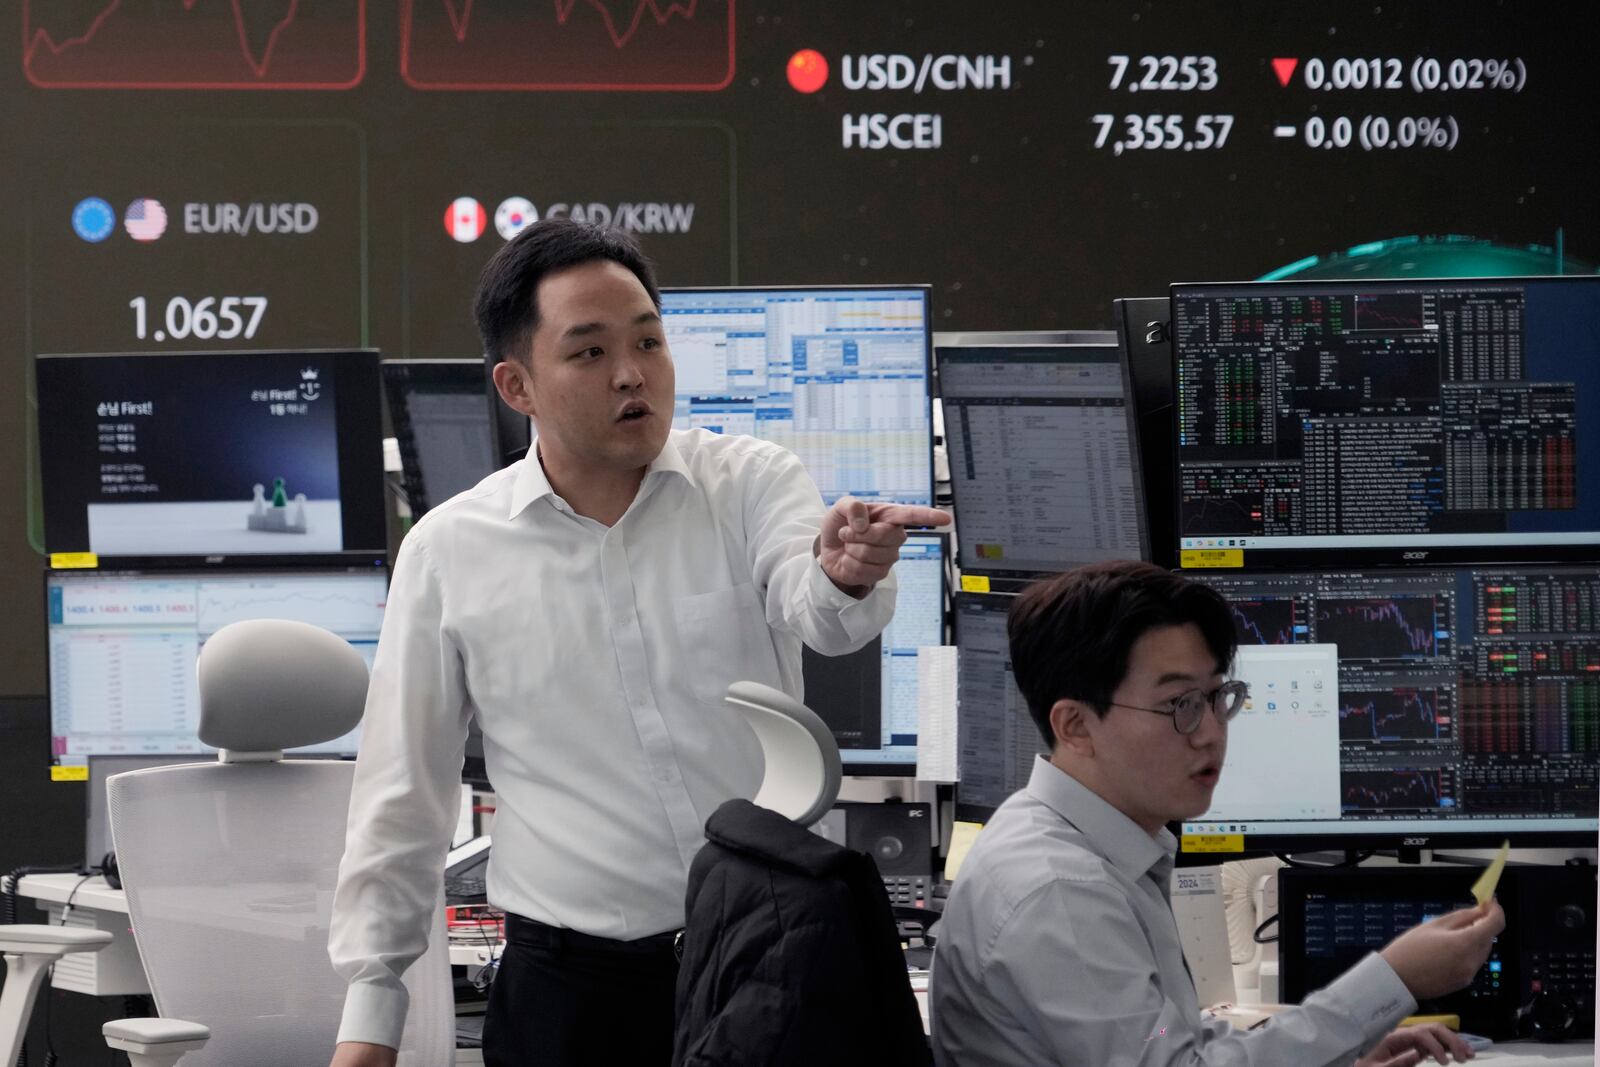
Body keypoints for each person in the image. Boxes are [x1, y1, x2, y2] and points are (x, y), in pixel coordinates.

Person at [327, 219, 948, 1067]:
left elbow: (824, 616)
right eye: (588, 353)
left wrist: (844, 573)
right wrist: (371, 1018)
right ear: (518, 385)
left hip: (769, 961)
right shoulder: (449, 551)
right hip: (570, 995)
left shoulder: (748, 483)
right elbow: (402, 794)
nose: (632, 374)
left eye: (649, 341)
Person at [930, 560, 1505, 1067]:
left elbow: (1163, 1038)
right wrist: (1394, 980)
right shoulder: (1061, 890)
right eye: (1179, 704)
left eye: (1216, 697)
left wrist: (1339, 1055)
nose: (1211, 733)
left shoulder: (1076, 840)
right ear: (1076, 725)